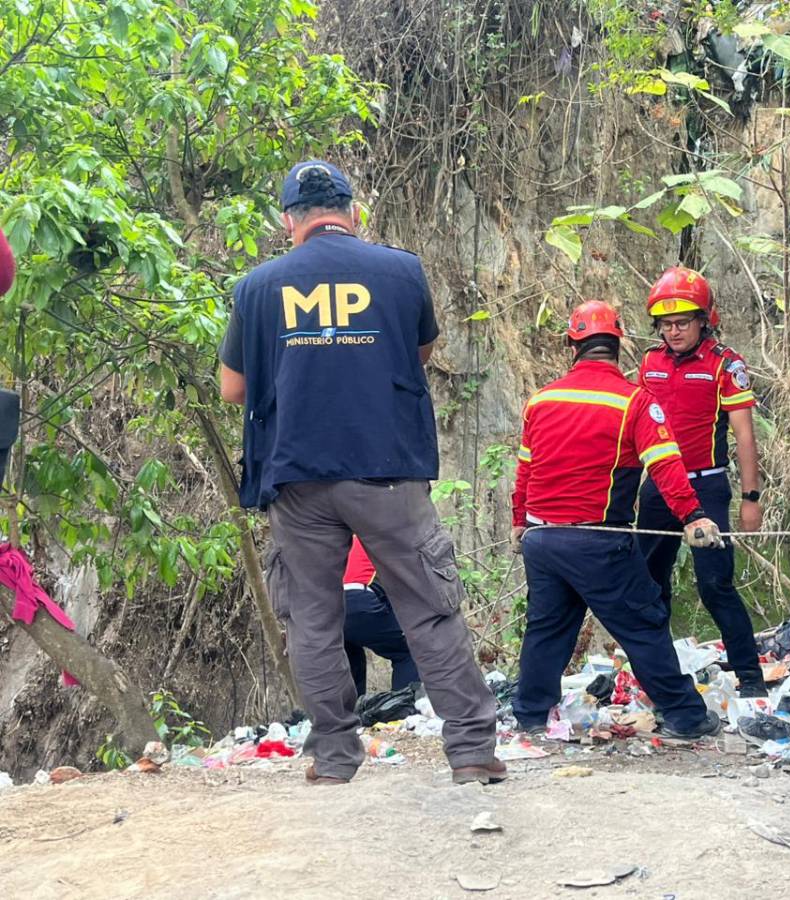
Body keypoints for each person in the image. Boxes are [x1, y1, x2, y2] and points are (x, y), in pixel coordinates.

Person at [218, 160, 501, 786]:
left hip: (296, 477)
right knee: (428, 610)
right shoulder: (401, 271)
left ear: (288, 221)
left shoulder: (257, 287)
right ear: (352, 211)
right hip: (387, 471)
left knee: (314, 622)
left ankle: (334, 759)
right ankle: (472, 753)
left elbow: (232, 388)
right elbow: (418, 351)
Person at [510, 300, 724, 739]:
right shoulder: (634, 401)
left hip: (541, 539)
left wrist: (519, 521)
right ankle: (686, 717)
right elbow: (665, 465)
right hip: (599, 542)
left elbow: (525, 468)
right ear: (618, 345)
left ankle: (530, 715)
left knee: (547, 629)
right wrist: (693, 516)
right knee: (643, 624)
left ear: (572, 346)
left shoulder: (541, 400)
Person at [635, 266, 767, 697]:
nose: (673, 331)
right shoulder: (650, 362)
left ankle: (751, 678)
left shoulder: (725, 364)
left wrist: (751, 498)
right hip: (658, 487)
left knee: (715, 584)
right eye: (666, 324)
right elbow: (635, 428)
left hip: (706, 486)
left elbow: (744, 435)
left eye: (682, 323)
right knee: (649, 585)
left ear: (704, 320)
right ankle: (658, 678)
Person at [342, 536, 420, 697]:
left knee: (351, 654)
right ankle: (402, 706)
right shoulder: (381, 536)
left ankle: (352, 710)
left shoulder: (345, 541)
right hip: (359, 598)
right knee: (409, 651)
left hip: (326, 607)